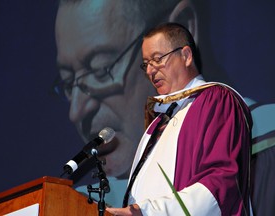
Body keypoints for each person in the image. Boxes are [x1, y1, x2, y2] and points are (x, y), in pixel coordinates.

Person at [54, 0, 198, 207]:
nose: (75, 112)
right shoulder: (80, 204)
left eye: (101, 69)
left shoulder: (249, 146)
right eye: (68, 82)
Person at [107, 23, 252, 215]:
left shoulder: (215, 100)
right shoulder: (157, 123)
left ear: (186, 56)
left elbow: (219, 183)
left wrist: (146, 212)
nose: (150, 71)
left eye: (157, 59)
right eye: (146, 64)